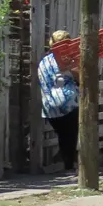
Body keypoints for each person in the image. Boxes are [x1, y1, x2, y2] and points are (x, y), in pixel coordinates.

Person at [38, 29, 81, 171]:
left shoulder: (44, 61)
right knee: (71, 134)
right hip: (67, 103)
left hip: (49, 107)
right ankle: (69, 165)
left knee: (63, 135)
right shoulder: (66, 60)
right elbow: (81, 78)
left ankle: (65, 160)